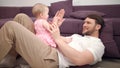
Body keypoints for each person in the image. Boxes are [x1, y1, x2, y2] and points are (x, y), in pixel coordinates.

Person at [0, 13, 105, 68]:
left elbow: (79, 59)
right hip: (47, 48)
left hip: (52, 59)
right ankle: (10, 58)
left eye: (88, 23)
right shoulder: (77, 36)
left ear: (98, 27)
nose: (84, 25)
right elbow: (55, 38)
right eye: (84, 22)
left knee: (11, 26)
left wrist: (57, 38)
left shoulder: (98, 45)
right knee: (21, 17)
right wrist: (55, 25)